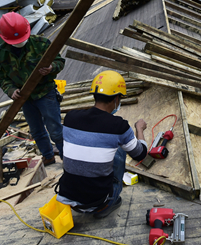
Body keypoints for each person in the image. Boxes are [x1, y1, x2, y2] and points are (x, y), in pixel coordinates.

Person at [56, 70, 147, 219]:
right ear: (116, 99)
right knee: (119, 149)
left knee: (98, 145)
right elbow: (141, 154)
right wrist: (139, 129)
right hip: (98, 202)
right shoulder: (119, 126)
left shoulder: (70, 117)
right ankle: (106, 206)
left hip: (68, 198)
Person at [0, 12, 65, 166]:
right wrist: (11, 90)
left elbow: (60, 62)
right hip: (25, 98)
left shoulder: (41, 44)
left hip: (45, 93)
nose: (19, 42)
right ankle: (48, 156)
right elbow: (1, 77)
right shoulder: (1, 55)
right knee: (36, 131)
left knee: (55, 130)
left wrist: (51, 67)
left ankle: (68, 159)